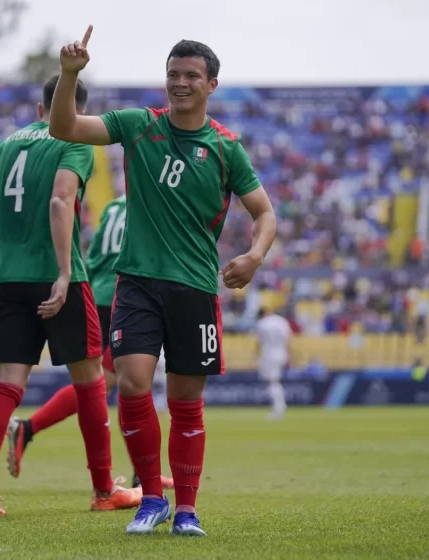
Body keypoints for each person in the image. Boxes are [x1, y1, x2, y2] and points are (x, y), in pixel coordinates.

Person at [48, 28, 277, 536]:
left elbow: (264, 213)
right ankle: (152, 497)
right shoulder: (137, 125)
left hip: (195, 288)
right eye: (173, 74)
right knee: (130, 383)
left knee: (185, 402)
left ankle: (188, 510)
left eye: (191, 76)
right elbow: (63, 126)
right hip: (138, 284)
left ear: (211, 84)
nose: (179, 83)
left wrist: (255, 256)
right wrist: (70, 74)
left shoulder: (225, 147)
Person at [0, 74, 141, 516]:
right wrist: (62, 273)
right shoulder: (74, 140)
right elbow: (61, 202)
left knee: (7, 386)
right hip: (60, 276)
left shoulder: (6, 145)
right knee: (91, 380)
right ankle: (103, 491)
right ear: (74, 111)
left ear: (40, 108)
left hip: (7, 279)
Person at [6, 195, 173, 490]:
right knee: (111, 382)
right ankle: (28, 428)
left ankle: (141, 471)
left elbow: (93, 257)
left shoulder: (112, 206)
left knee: (122, 383)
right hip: (129, 297)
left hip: (101, 295)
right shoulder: (154, 200)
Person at [254, 308, 292, 420]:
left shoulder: (262, 323)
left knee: (272, 382)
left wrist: (255, 356)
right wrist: (290, 357)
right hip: (282, 353)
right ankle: (280, 405)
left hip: (269, 354)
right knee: (274, 381)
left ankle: (278, 408)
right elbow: (289, 339)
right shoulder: (282, 321)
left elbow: (259, 342)